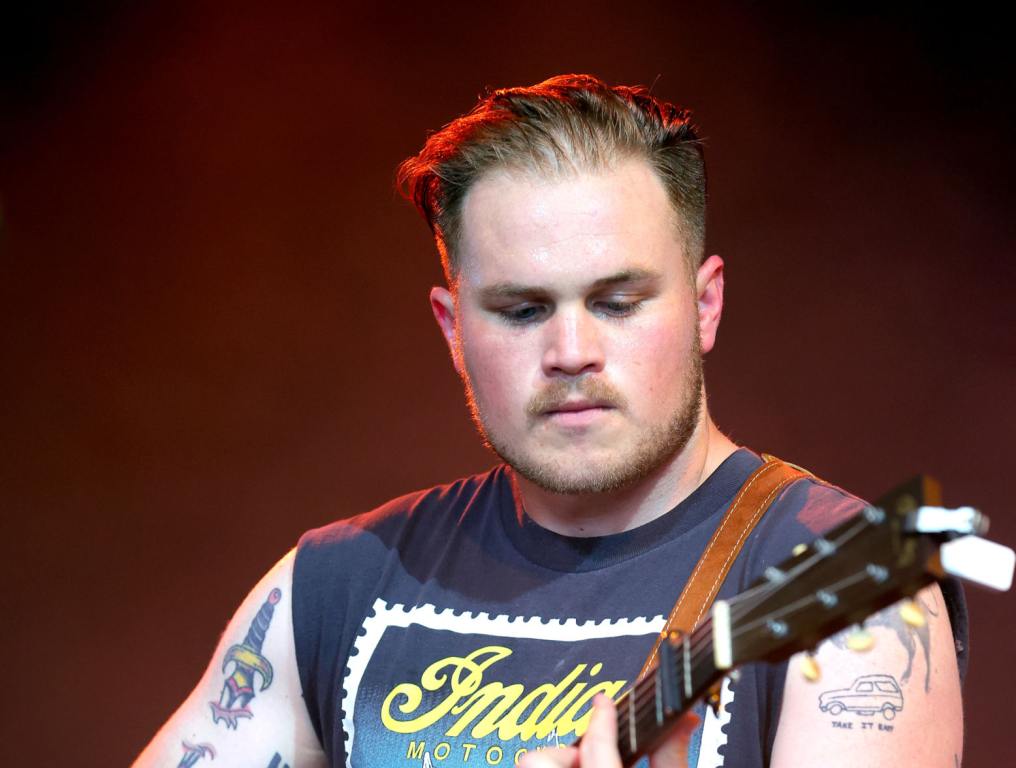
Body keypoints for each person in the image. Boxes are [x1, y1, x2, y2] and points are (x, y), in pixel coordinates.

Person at [134, 75, 966, 768]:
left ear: (706, 305)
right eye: (523, 310)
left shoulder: (852, 589)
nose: (572, 350)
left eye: (618, 301)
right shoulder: (333, 585)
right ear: (453, 330)